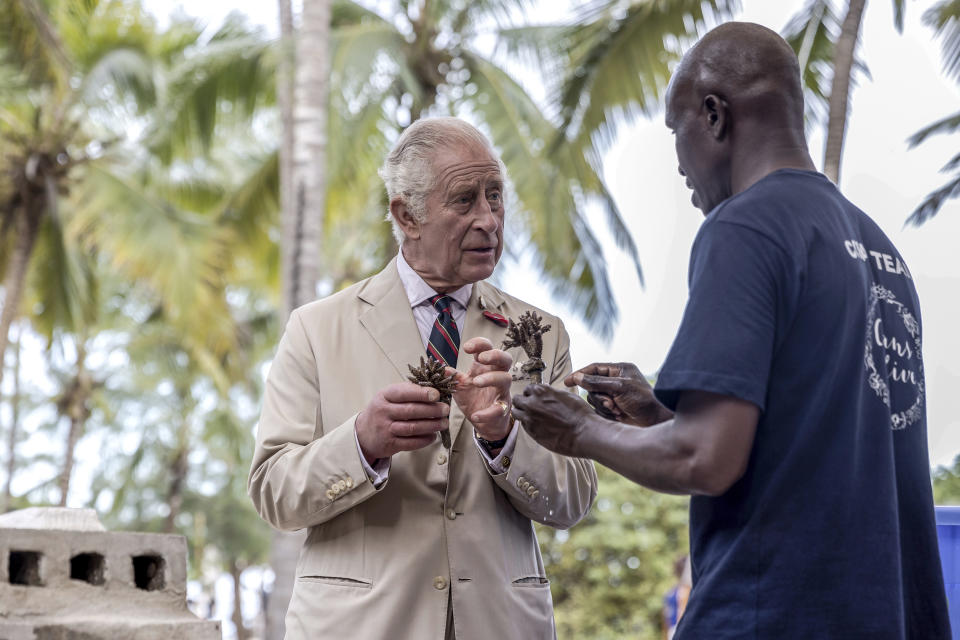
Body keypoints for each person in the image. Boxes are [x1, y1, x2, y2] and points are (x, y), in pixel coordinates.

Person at [512, 22, 950, 639]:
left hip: (770, 617)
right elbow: (791, 456)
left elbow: (705, 458)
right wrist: (665, 415)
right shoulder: (879, 253)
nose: (679, 161)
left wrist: (579, 427)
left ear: (713, 115)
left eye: (676, 130)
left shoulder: (745, 227)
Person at [248, 116, 597, 639]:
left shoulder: (542, 335)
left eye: (495, 196)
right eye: (465, 201)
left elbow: (574, 498)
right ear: (406, 215)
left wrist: (503, 439)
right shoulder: (316, 329)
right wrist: (360, 444)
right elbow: (273, 492)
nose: (489, 220)